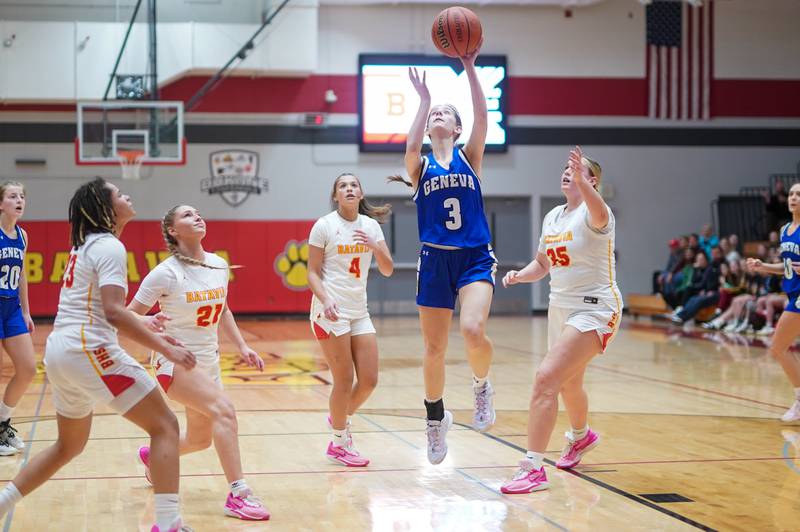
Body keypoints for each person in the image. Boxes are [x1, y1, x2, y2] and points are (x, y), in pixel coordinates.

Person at [0, 178, 196, 532]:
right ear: (107, 209)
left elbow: (96, 307)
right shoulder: (109, 247)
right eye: (119, 194)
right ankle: (168, 525)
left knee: (68, 446)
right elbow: (112, 311)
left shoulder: (86, 245)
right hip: (88, 349)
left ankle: (2, 504)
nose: (127, 195)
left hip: (61, 350)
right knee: (166, 426)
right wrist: (166, 347)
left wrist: (143, 320)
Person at [389, 40, 499, 465]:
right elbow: (411, 147)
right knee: (434, 349)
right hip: (434, 260)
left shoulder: (470, 157)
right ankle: (436, 421)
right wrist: (425, 102)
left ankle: (481, 383)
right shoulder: (420, 167)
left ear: (456, 129)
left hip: (473, 256)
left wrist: (470, 68)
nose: (439, 118)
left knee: (472, 330)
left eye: (445, 116)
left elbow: (483, 116)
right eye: (436, 115)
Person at [128, 205, 270, 521]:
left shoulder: (219, 264)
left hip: (209, 361)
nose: (198, 217)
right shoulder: (165, 272)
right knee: (225, 411)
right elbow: (128, 315)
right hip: (174, 361)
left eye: (198, 213)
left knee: (200, 439)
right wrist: (149, 323)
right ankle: (238, 494)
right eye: (188, 215)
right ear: (173, 231)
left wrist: (243, 346)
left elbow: (224, 310)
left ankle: (153, 458)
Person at [500, 147, 622, 494]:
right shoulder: (553, 216)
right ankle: (582, 437)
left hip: (595, 308)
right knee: (568, 384)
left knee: (545, 379)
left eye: (578, 170)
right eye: (566, 169)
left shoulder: (597, 213)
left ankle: (533, 467)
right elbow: (542, 263)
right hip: (561, 308)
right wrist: (520, 276)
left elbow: (597, 208)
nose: (568, 173)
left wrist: (586, 186)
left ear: (592, 180)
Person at [307, 173, 393, 467]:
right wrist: (326, 298)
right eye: (343, 186)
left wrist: (375, 245)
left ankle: (339, 418)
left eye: (353, 185)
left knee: (368, 380)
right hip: (330, 310)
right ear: (336, 195)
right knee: (344, 380)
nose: (349, 189)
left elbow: (388, 269)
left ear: (361, 193)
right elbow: (312, 272)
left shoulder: (370, 227)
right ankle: (339, 442)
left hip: (359, 310)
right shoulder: (324, 226)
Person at [747, 182, 800, 422]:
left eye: (799, 194)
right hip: (792, 293)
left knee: (778, 346)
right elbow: (786, 266)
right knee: (780, 347)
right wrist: (763, 266)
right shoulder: (786, 229)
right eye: (791, 194)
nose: (794, 198)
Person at [0, 181, 37, 455]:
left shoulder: (22, 236)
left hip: (12, 308)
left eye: (22, 196)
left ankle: (2, 424)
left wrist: (25, 310)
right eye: (13, 196)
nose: (19, 200)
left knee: (28, 370)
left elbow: (21, 273)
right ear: (1, 204)